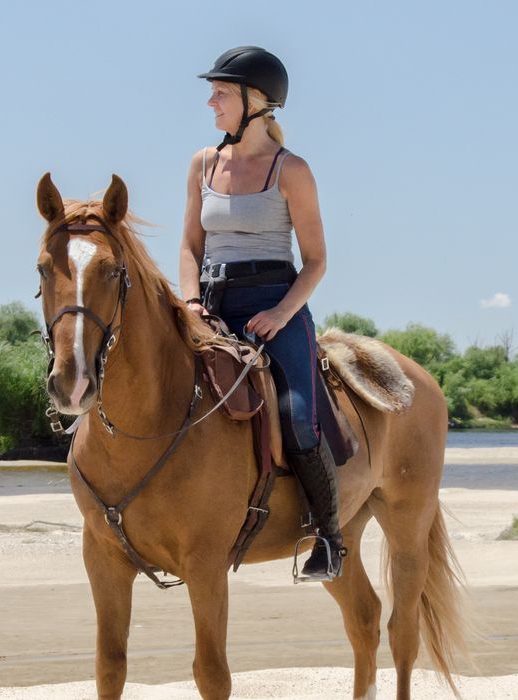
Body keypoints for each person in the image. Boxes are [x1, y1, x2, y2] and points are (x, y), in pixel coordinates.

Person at [179, 46, 344, 581]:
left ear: (256, 102)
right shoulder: (202, 163)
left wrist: (280, 312)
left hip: (275, 303)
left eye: (221, 93)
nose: (211, 102)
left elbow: (316, 262)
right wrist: (188, 303)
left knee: (297, 412)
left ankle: (329, 536)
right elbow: (189, 244)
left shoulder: (290, 170)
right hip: (208, 304)